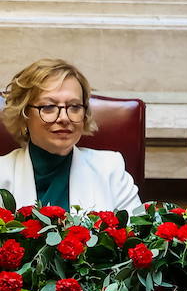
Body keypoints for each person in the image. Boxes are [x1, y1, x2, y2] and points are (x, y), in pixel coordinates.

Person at [0, 59, 141, 212]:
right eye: (48, 107)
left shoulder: (110, 169)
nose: (64, 118)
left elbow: (137, 232)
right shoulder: (3, 173)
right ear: (24, 115)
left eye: (74, 107)